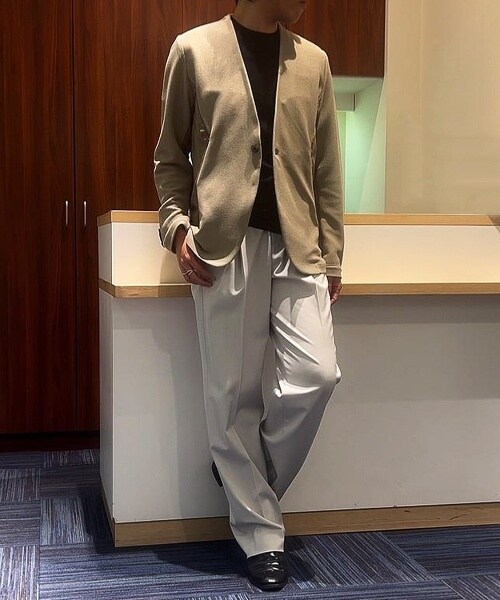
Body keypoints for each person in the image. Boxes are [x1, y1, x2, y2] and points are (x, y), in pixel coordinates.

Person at [154, 0, 343, 591]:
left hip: (298, 245)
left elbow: (327, 171)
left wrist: (333, 253)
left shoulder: (314, 63)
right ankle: (262, 534)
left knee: (317, 375)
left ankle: (240, 475)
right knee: (229, 395)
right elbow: (169, 158)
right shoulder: (193, 50)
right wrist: (175, 227)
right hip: (222, 247)